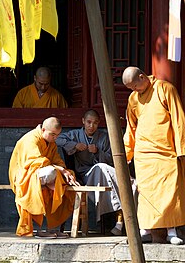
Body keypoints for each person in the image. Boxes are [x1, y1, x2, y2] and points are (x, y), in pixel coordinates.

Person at [122, 66, 185, 244]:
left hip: (166, 150)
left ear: (143, 77)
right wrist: (127, 153)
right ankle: (145, 229)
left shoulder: (165, 89)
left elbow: (178, 119)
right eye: (131, 89)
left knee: (170, 191)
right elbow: (131, 127)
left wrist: (182, 149)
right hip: (143, 154)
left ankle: (172, 232)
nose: (134, 90)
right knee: (146, 193)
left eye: (135, 86)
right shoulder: (133, 98)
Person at [56, 109, 124, 235]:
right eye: (88, 122)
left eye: (95, 123)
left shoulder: (103, 137)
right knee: (102, 169)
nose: (91, 126)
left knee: (102, 169)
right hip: (83, 174)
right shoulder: (75, 134)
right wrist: (74, 145)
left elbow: (111, 159)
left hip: (102, 175)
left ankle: (119, 217)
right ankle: (119, 218)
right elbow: (57, 139)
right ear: (83, 121)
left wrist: (98, 151)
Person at [9, 117, 79, 238]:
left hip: (41, 174)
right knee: (52, 172)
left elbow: (57, 159)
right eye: (52, 134)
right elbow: (35, 162)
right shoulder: (31, 139)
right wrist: (60, 170)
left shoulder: (51, 142)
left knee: (69, 174)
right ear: (43, 129)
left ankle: (51, 228)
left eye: (57, 135)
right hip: (25, 174)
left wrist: (65, 171)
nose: (55, 138)